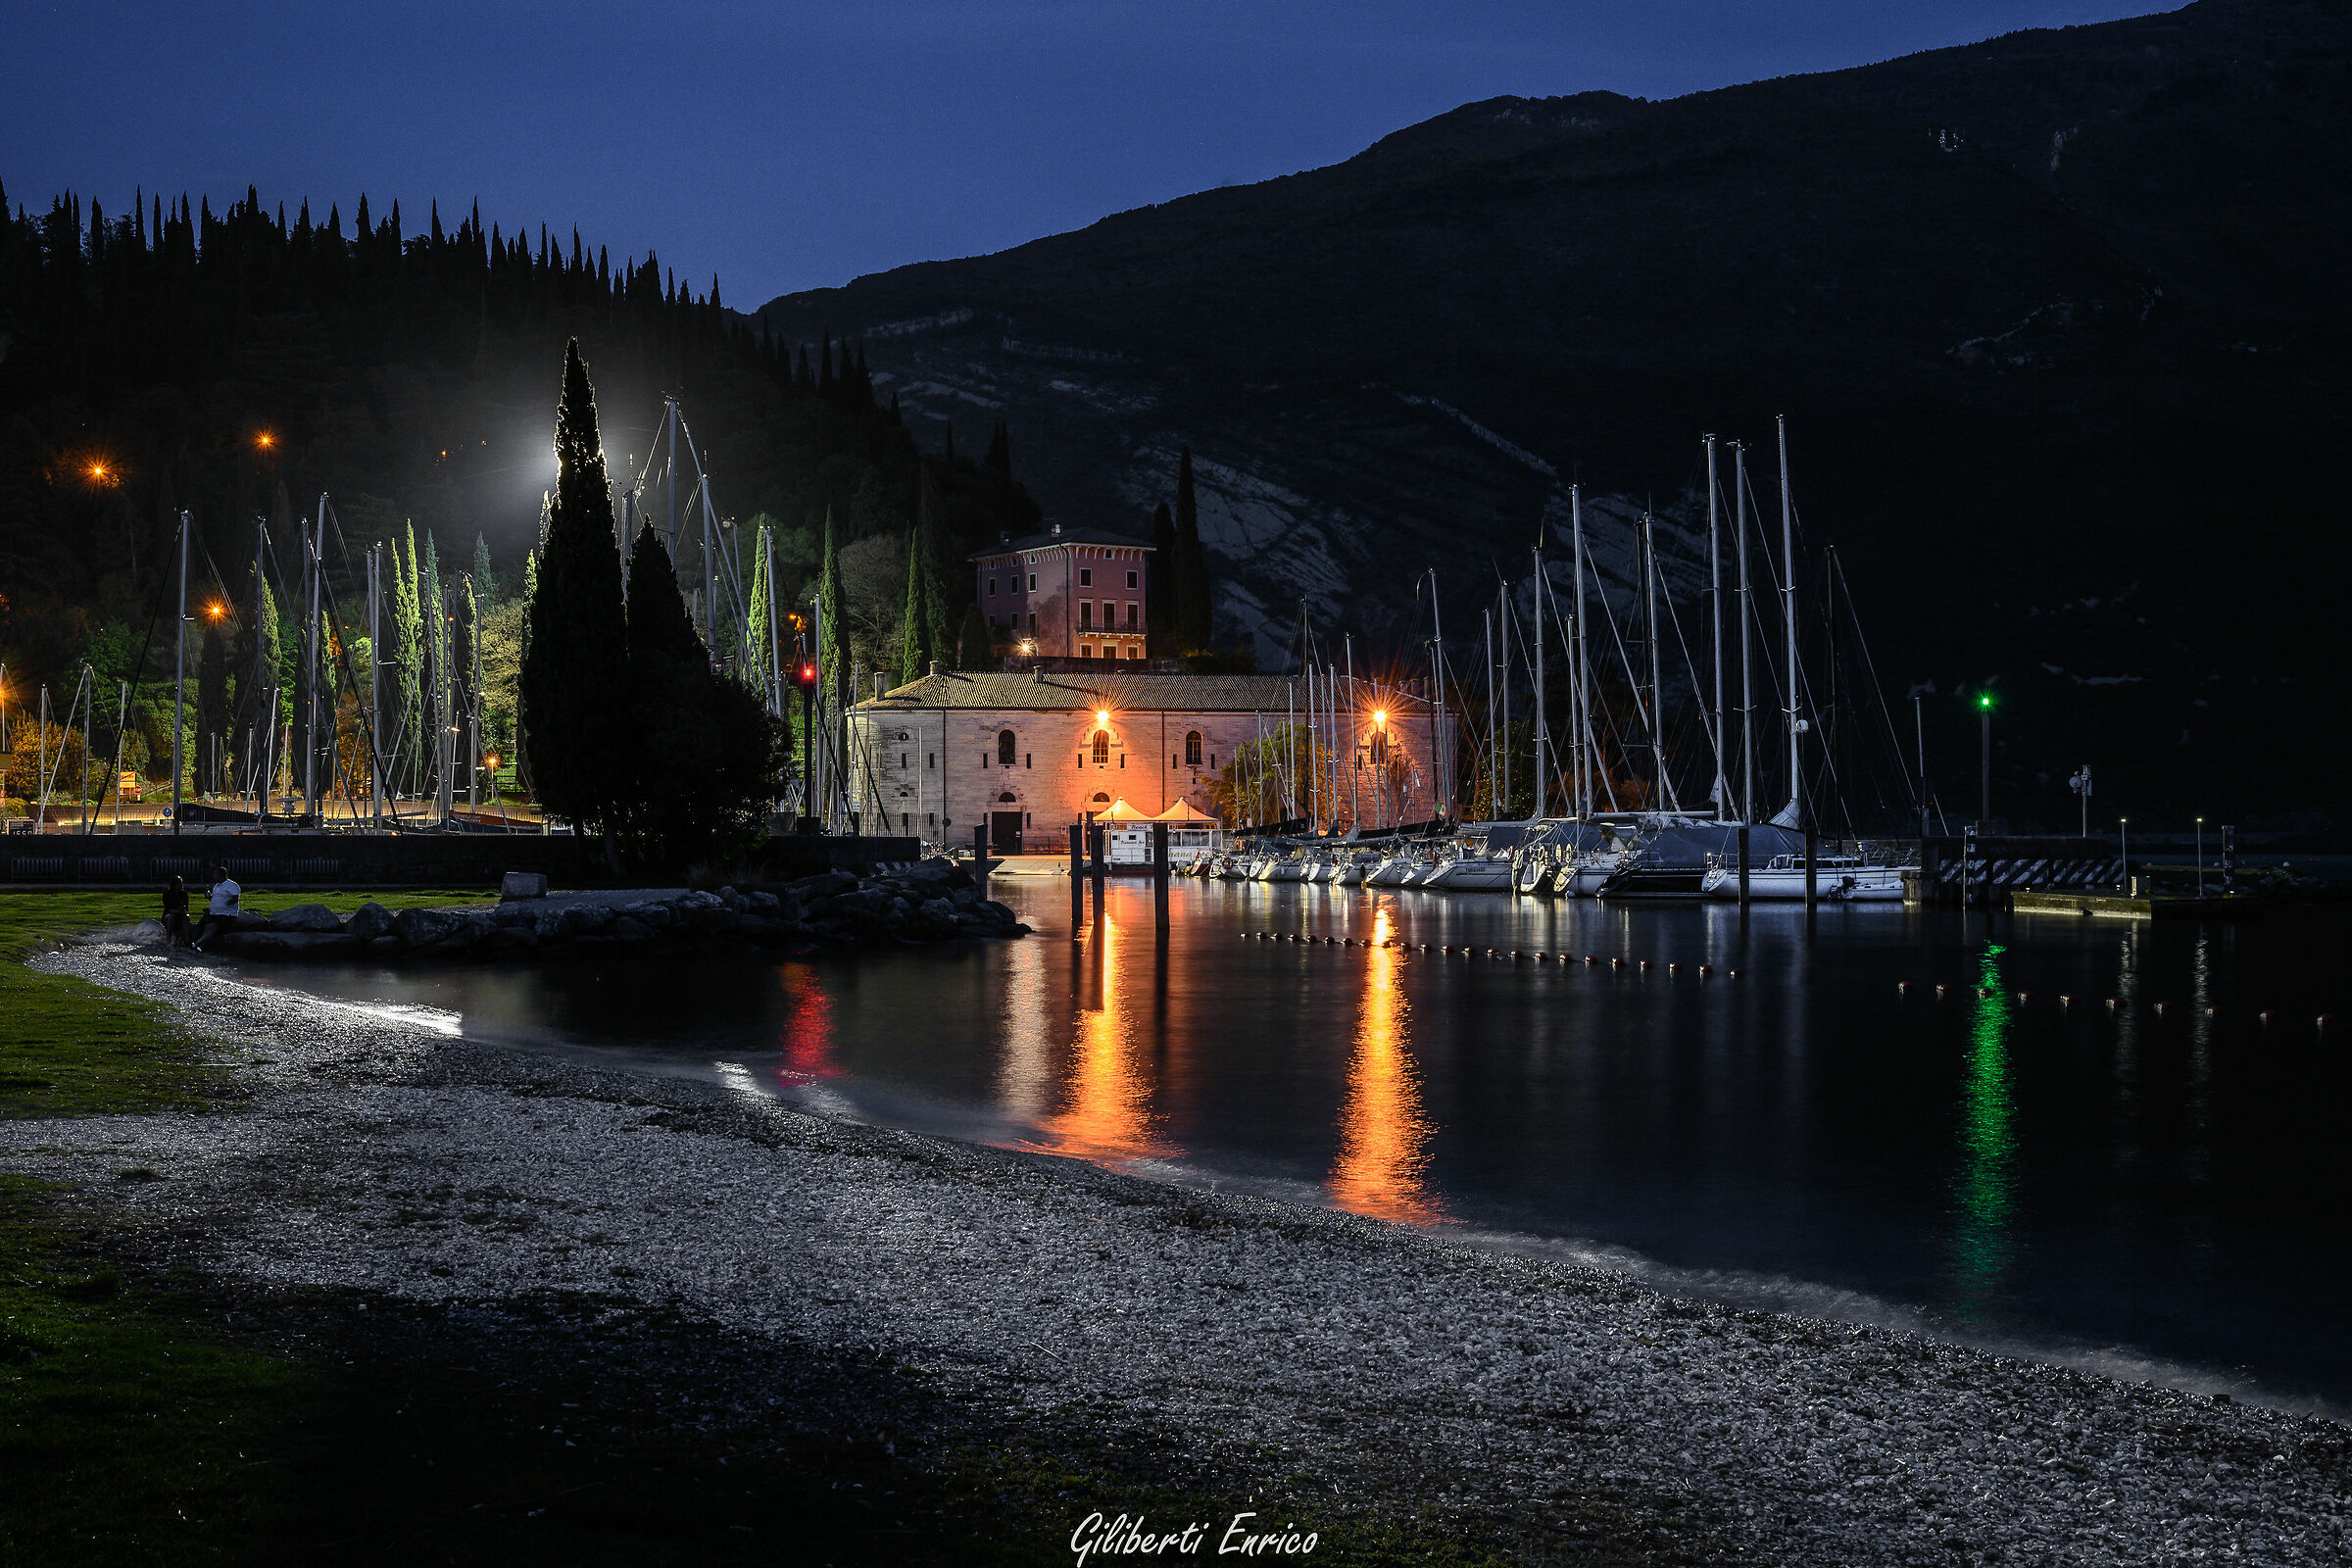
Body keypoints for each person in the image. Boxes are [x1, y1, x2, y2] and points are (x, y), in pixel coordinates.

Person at [191, 865, 239, 950]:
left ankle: (197, 943)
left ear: (221, 875)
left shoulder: (231, 885)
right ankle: (197, 944)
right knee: (202, 925)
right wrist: (209, 896)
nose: (214, 877)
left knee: (211, 926)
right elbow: (214, 899)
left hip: (226, 914)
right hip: (214, 912)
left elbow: (235, 898)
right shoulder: (217, 886)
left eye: (215, 875)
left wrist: (224, 904)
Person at [161, 874, 191, 948]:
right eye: (179, 883)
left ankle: (187, 939)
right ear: (174, 885)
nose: (181, 885)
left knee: (186, 917)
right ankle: (168, 940)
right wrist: (178, 911)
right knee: (172, 917)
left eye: (182, 883)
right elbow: (168, 909)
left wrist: (183, 910)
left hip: (180, 915)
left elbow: (186, 908)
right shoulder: (167, 894)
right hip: (169, 915)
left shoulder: (184, 894)